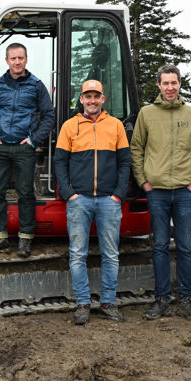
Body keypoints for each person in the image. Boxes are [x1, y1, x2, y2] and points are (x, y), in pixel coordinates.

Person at [130, 64, 191, 322]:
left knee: (185, 247)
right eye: (166, 83)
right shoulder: (147, 114)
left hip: (186, 191)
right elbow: (137, 149)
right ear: (159, 86)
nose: (170, 87)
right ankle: (161, 298)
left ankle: (187, 299)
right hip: (157, 192)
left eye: (174, 82)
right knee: (160, 246)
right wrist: (144, 182)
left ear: (179, 84)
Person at [54, 80, 132, 325]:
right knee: (78, 254)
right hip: (80, 200)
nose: (92, 100)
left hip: (109, 200)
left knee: (111, 254)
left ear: (103, 99)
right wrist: (69, 193)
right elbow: (60, 162)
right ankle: (83, 303)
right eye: (87, 96)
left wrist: (118, 194)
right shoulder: (70, 126)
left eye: (96, 96)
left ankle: (108, 302)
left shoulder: (116, 125)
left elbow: (125, 163)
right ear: (81, 99)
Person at [0, 42, 54, 257]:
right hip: (0, 147)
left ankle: (25, 240)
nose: (17, 62)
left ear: (26, 60)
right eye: (13, 58)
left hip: (24, 147)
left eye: (21, 58)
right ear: (7, 61)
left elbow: (49, 115)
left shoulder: (36, 85)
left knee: (26, 193)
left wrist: (34, 140)